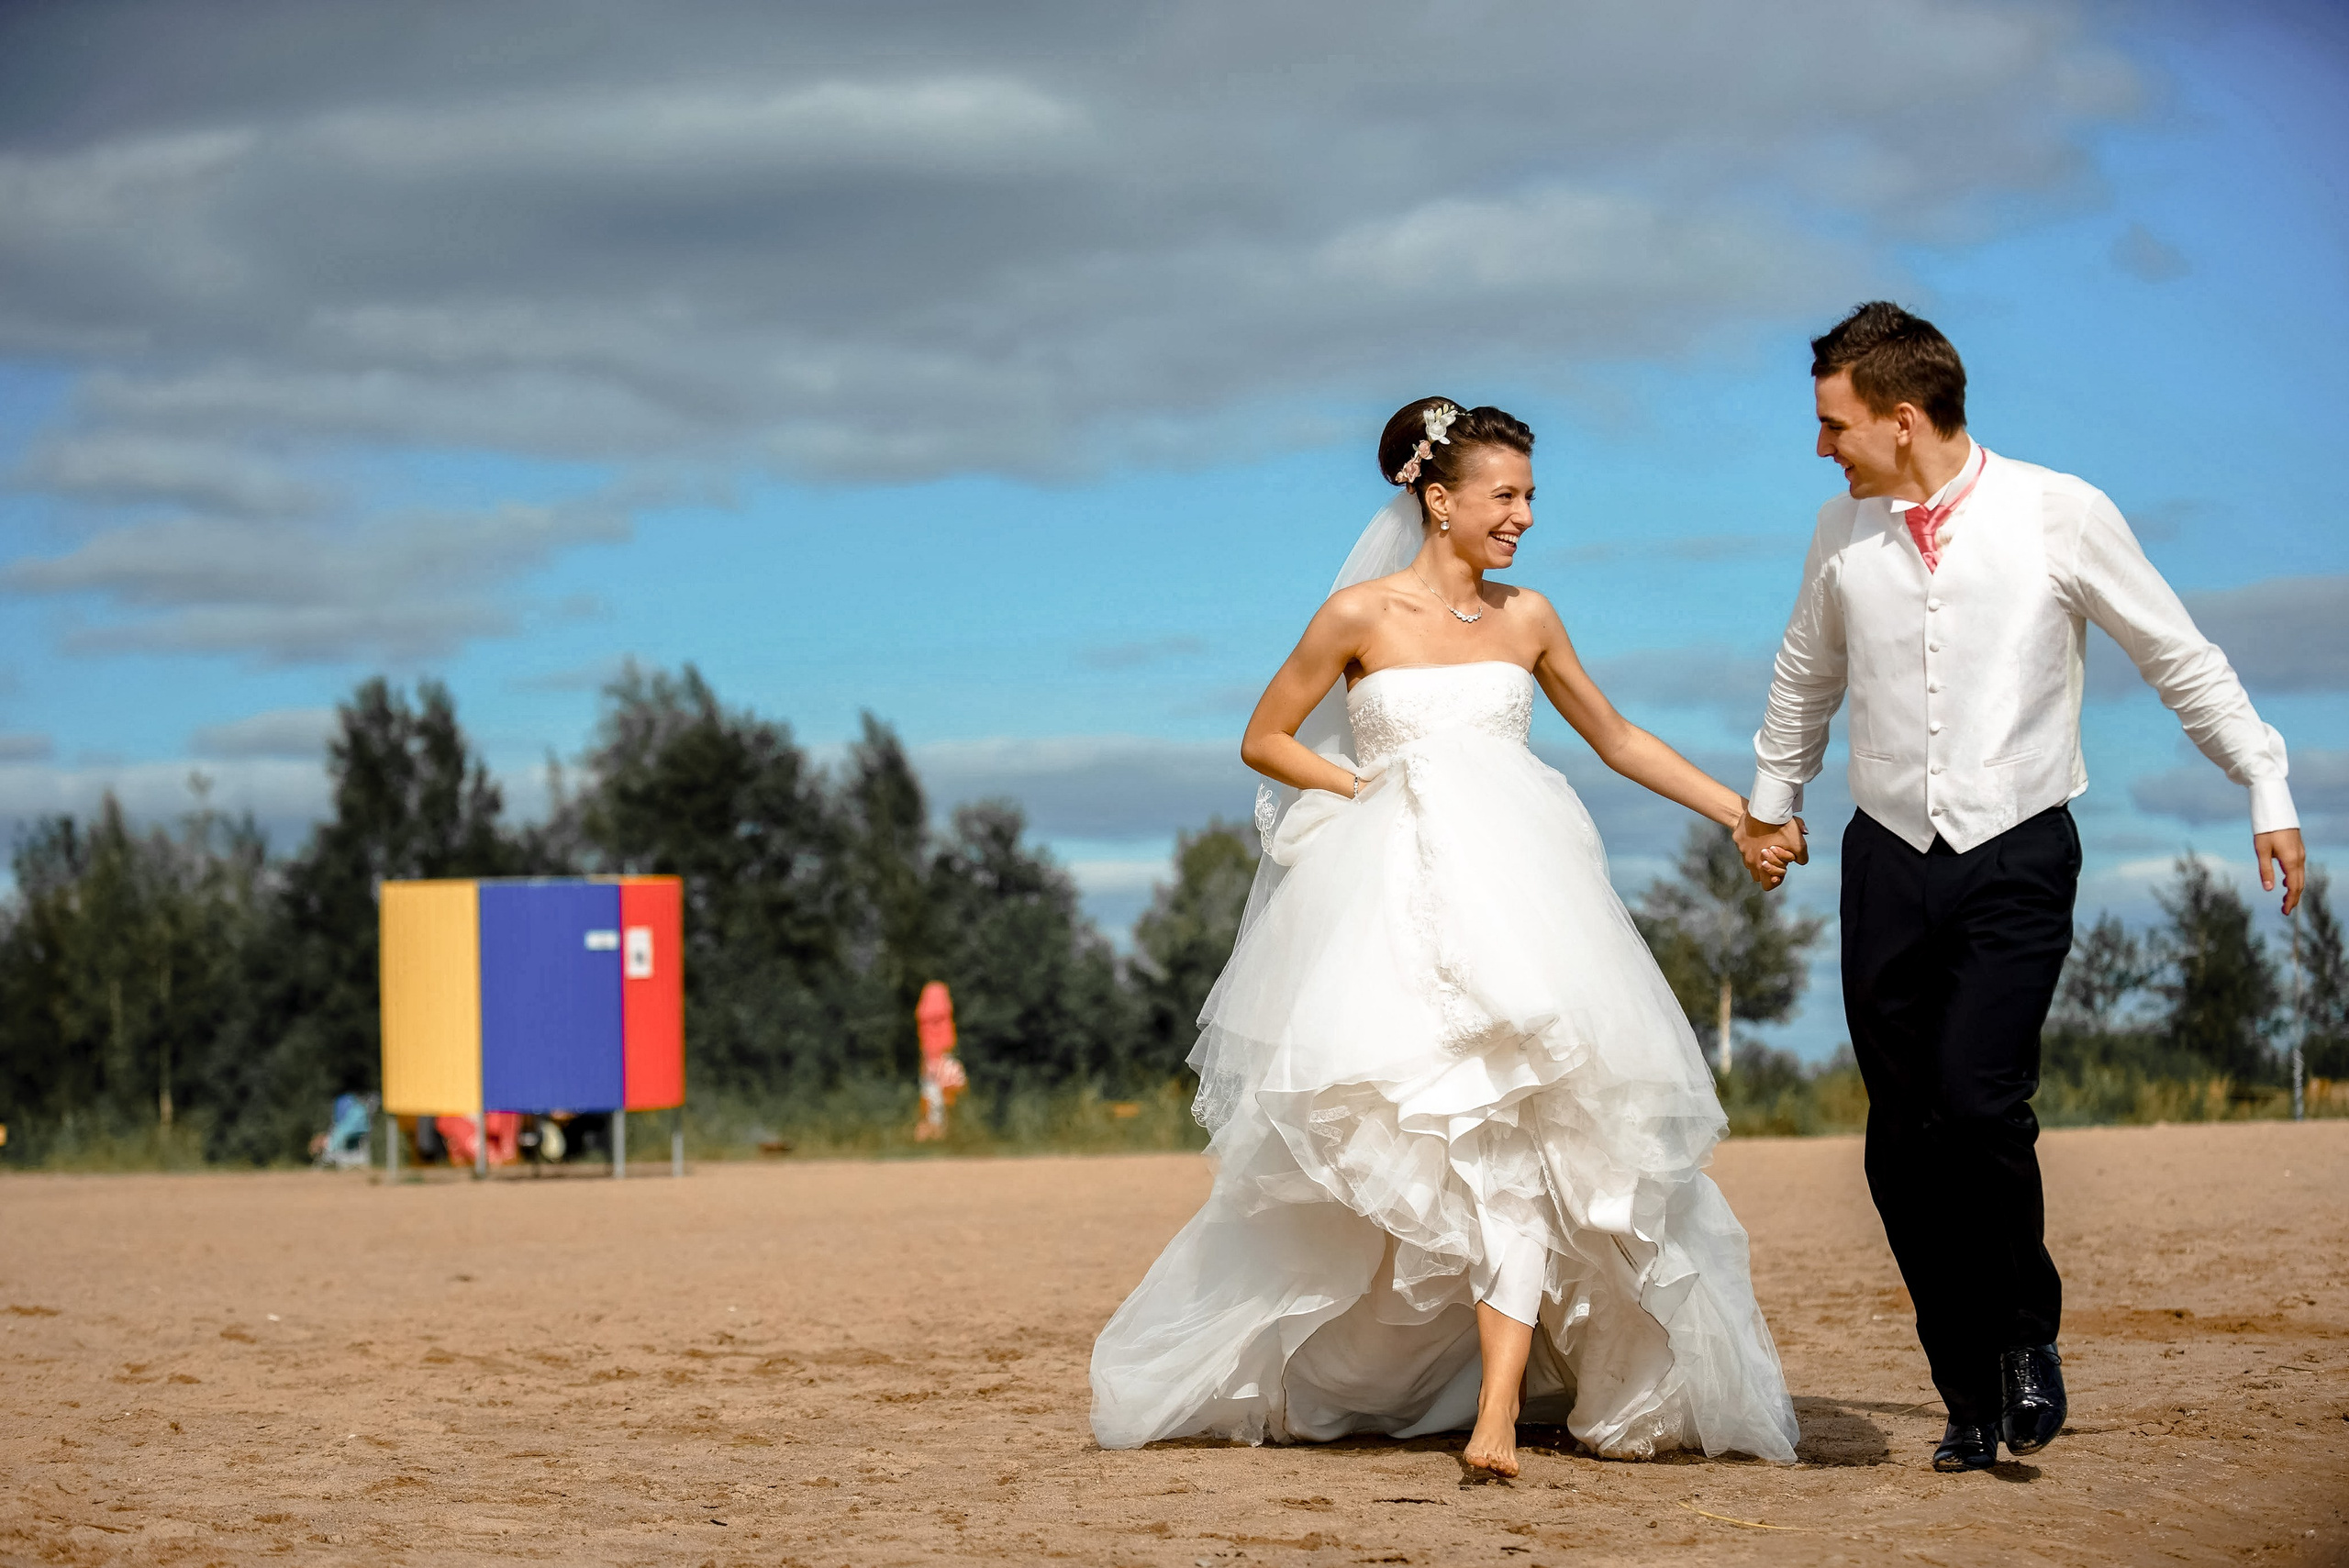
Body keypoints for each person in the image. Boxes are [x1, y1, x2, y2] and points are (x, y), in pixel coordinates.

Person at [1089, 399, 1807, 1475]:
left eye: (1528, 498)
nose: (1521, 516)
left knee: (1524, 1135)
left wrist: (1738, 812)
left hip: (1525, 905)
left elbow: (1614, 737)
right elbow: (1263, 737)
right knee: (1453, 1144)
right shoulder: (1356, 615)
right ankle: (1445, 1384)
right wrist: (1362, 784)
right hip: (1390, 909)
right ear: (1439, 498)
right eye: (1503, 495)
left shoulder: (1528, 618)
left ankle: (1498, 1414)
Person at [1738, 302, 2305, 1473]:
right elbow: (1806, 670)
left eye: (1832, 424)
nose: (1820, 447)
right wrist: (1771, 796)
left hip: (2017, 850)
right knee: (1900, 1142)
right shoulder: (1841, 531)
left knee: (1978, 1101)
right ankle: (1964, 1386)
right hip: (1886, 856)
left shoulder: (2061, 511)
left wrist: (2264, 777)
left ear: (1902, 419)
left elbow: (2175, 654)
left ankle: (2024, 1339)